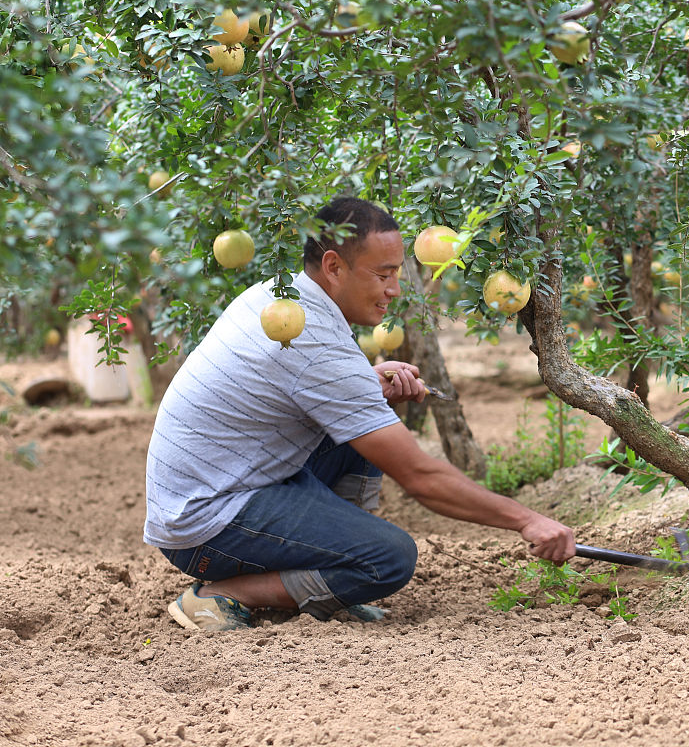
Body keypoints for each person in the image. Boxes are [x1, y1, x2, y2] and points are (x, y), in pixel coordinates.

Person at [144, 197, 575, 630]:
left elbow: (299, 383)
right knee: (387, 559)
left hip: (224, 484)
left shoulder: (282, 297)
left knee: (368, 427)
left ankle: (330, 581)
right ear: (333, 267)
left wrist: (365, 385)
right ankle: (220, 595)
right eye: (383, 275)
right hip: (205, 524)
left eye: (397, 273)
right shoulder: (313, 342)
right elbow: (420, 477)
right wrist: (527, 520)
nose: (395, 289)